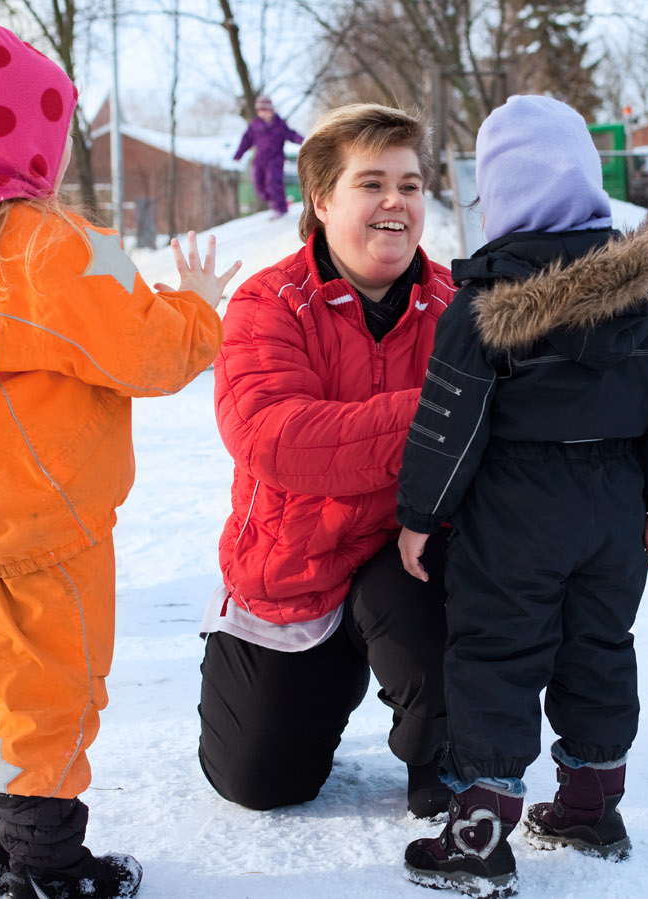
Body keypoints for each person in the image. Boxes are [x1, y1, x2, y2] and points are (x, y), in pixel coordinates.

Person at [0, 25, 236, 899]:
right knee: (51, 692)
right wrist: (199, 309)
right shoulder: (44, 245)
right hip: (47, 529)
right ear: (40, 140)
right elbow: (145, 352)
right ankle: (48, 869)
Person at [393, 95, 648, 897]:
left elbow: (449, 426)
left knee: (496, 652)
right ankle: (593, 804)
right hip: (615, 506)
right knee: (599, 645)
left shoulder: (485, 304)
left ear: (501, 195)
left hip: (516, 508)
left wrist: (421, 515)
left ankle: (480, 836)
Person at [198, 104, 457, 818]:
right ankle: (327, 667)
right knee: (258, 783)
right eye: (371, 183)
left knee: (441, 582)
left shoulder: (455, 308)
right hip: (298, 564)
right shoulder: (266, 303)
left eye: (409, 184)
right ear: (321, 199)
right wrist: (439, 414)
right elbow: (277, 438)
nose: (396, 203)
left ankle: (442, 748)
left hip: (410, 561)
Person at [233, 95, 304, 218]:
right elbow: (246, 140)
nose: (262, 114)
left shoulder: (279, 124)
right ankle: (277, 201)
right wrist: (239, 154)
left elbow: (291, 134)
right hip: (259, 160)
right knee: (259, 186)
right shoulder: (254, 125)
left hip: (275, 160)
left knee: (273, 182)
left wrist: (303, 141)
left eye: (265, 111)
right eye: (260, 111)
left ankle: (280, 209)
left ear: (271, 110)